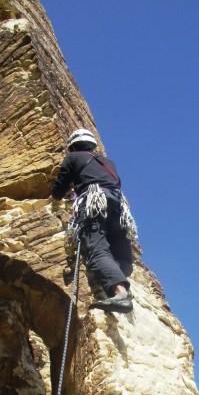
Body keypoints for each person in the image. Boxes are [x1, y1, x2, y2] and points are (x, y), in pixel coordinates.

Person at [51, 128, 136, 314]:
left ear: (73, 147)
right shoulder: (109, 163)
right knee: (123, 257)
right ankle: (117, 274)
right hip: (118, 208)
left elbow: (57, 192)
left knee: (97, 251)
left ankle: (121, 293)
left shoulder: (73, 158)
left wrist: (70, 188)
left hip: (95, 204)